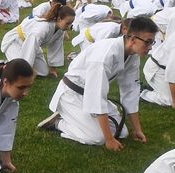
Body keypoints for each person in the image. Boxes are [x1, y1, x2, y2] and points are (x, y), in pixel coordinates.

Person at [41, 16, 155, 149]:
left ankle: (78, 120)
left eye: (152, 42)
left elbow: (130, 91)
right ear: (133, 39)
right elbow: (96, 95)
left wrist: (137, 129)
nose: (150, 47)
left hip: (89, 94)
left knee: (122, 132)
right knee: (97, 138)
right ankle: (59, 122)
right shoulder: (104, 55)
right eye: (148, 42)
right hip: (71, 95)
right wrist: (109, 139)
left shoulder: (132, 55)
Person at [0, 2, 75, 78]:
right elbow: (30, 48)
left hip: (32, 44)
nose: (68, 27)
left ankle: (14, 62)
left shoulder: (60, 30)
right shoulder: (43, 28)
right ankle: (4, 65)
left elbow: (55, 47)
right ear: (59, 19)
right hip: (15, 41)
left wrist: (53, 70)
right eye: (67, 23)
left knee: (43, 72)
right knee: (20, 72)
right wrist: (28, 70)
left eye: (70, 24)